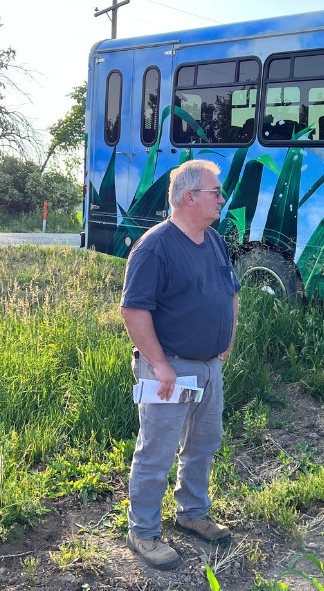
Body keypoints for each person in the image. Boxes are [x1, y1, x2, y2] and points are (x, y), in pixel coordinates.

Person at [120, 159, 239, 570]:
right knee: (157, 451)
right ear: (190, 197)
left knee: (203, 444)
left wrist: (228, 338)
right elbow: (134, 310)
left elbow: (231, 290)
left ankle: (192, 512)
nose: (222, 199)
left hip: (209, 366)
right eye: (215, 193)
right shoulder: (155, 246)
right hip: (169, 368)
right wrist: (159, 364)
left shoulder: (215, 240)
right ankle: (144, 532)